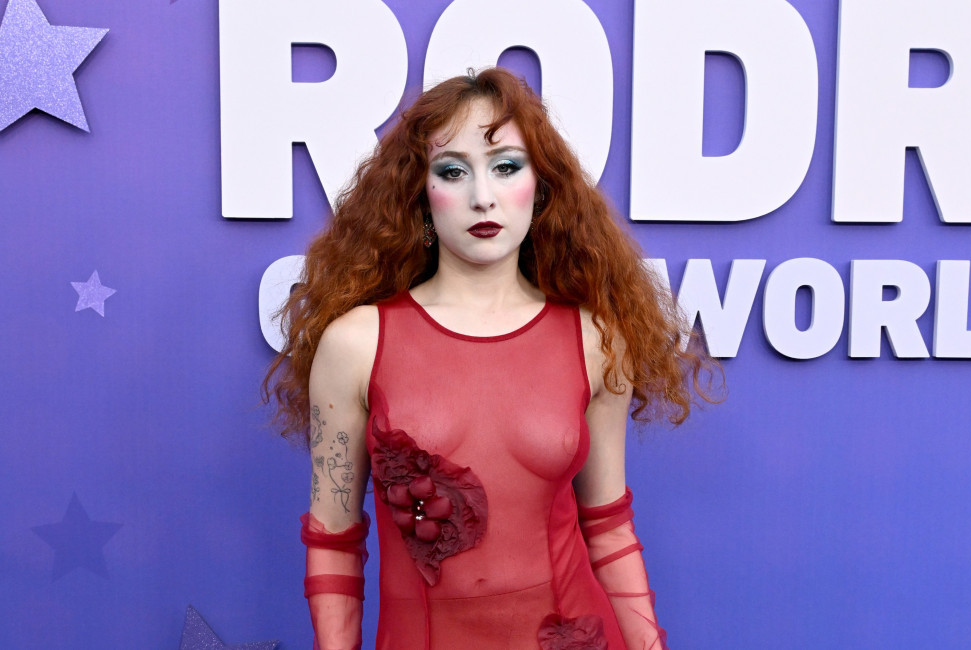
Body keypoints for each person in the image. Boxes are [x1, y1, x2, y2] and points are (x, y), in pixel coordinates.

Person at [264, 67, 716, 650]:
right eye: (453, 171)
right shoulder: (356, 344)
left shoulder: (596, 340)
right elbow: (333, 543)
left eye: (506, 166)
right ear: (420, 194)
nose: (483, 196)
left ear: (541, 187)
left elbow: (608, 528)